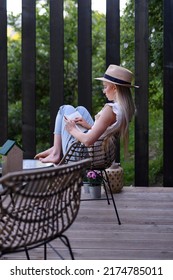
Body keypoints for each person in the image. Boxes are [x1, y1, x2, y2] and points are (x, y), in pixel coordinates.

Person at [35, 64, 138, 164]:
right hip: (100, 153)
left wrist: (72, 129)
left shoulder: (110, 110)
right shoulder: (124, 109)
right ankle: (56, 148)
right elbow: (104, 133)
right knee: (81, 110)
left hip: (84, 155)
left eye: (105, 87)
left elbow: (88, 141)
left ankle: (56, 152)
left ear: (115, 88)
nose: (104, 91)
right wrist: (88, 126)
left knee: (65, 109)